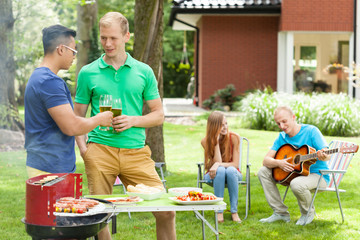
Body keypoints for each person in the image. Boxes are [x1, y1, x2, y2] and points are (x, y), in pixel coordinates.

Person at [74, 12, 176, 240]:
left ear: (126, 36)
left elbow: (159, 115)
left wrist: (133, 120)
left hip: (136, 152)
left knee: (166, 211)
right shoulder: (88, 72)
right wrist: (85, 150)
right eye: (103, 38)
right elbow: (77, 117)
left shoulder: (144, 71)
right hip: (99, 150)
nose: (107, 44)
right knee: (100, 215)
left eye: (113, 38)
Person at [24, 24, 113, 179]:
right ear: (61, 49)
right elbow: (71, 127)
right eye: (73, 51)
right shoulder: (49, 82)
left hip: (45, 166)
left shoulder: (38, 77)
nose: (74, 56)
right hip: (50, 170)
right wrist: (100, 119)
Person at [257, 106, 330, 225]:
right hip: (293, 174)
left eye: (284, 121)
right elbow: (266, 160)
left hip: (318, 176)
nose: (281, 126)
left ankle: (308, 213)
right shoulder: (282, 137)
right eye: (278, 123)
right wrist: (279, 163)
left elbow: (327, 153)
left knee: (296, 184)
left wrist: (324, 155)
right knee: (263, 172)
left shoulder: (311, 131)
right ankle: (280, 213)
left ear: (293, 117)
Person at [201, 111, 242, 223]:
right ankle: (219, 211)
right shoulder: (206, 141)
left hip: (233, 174)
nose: (225, 127)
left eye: (226, 124)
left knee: (230, 170)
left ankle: (234, 211)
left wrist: (218, 164)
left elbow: (235, 164)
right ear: (214, 127)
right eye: (221, 125)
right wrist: (216, 142)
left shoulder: (234, 138)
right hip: (214, 175)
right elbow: (217, 162)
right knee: (221, 171)